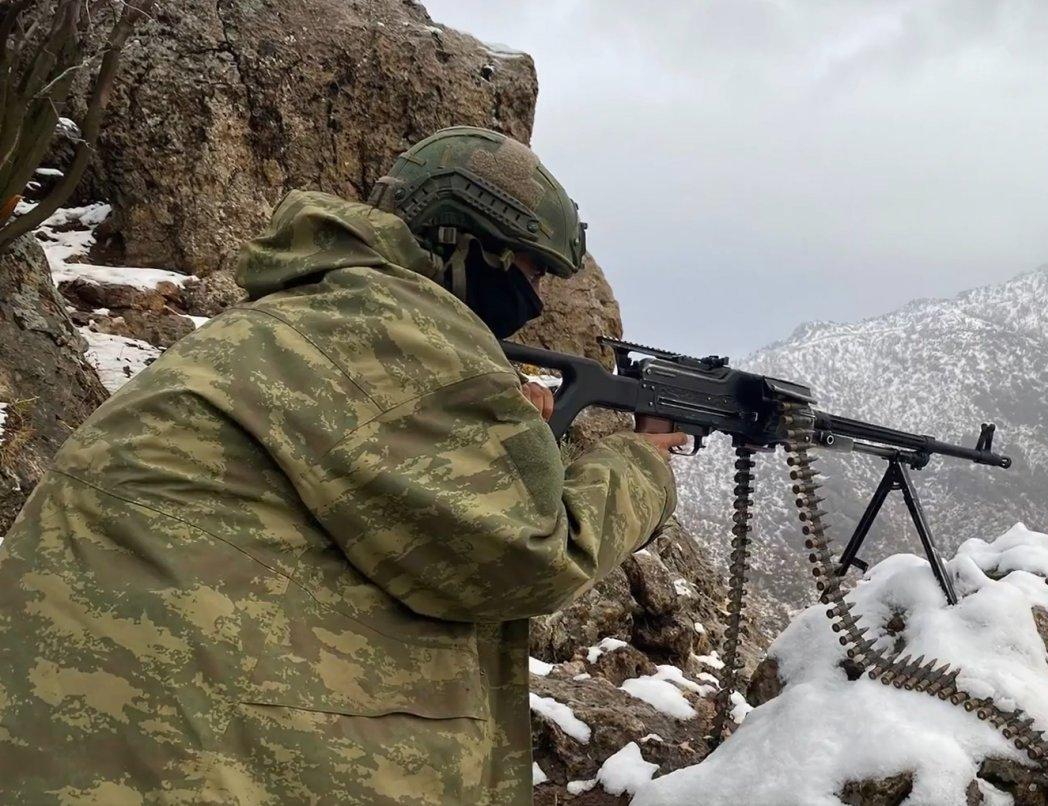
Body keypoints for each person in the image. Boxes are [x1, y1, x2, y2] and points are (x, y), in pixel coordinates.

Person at [0, 126, 686, 803]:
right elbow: (527, 555)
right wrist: (642, 463)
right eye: (531, 274)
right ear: (469, 247)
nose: (534, 301)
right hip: (173, 749)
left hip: (95, 724)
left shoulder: (314, 315)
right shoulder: (391, 326)